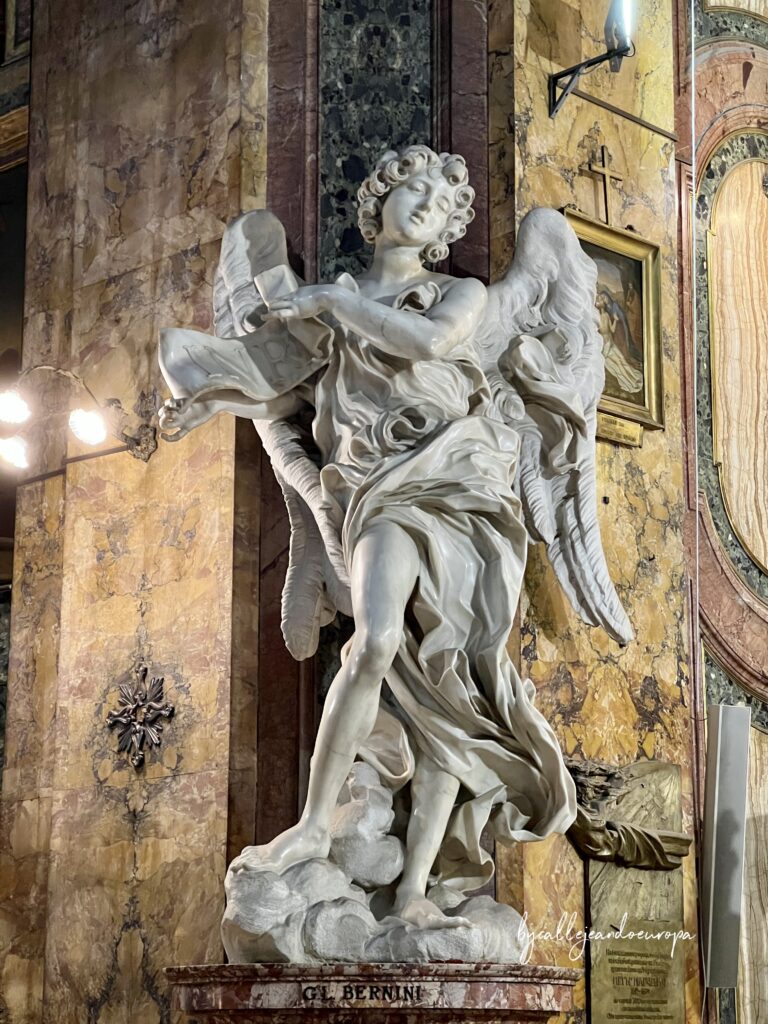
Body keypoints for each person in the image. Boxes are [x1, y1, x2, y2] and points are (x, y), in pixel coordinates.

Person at [159, 146, 577, 930]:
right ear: (378, 200)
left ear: (448, 231)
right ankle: (316, 827)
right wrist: (204, 401)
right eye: (410, 186)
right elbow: (272, 391)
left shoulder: (459, 292)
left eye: (441, 201)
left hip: (460, 483)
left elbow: (425, 345)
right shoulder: (332, 308)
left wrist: (323, 301)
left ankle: (416, 886)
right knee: (377, 642)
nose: (424, 203)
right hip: (378, 491)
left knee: (451, 678)